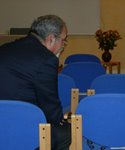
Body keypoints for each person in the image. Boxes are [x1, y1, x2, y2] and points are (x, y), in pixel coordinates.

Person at [0, 15, 71, 150]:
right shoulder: (47, 59)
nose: (64, 44)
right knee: (67, 133)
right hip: (22, 128)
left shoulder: (4, 48)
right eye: (64, 40)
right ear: (51, 39)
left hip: (2, 125)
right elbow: (51, 110)